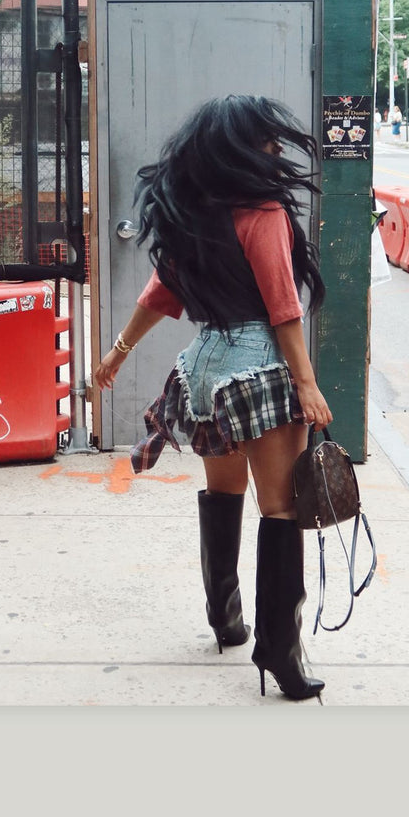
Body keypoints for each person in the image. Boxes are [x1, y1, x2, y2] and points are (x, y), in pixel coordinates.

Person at [93, 96, 332, 702]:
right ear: (242, 147)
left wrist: (118, 352)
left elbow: (160, 293)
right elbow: (283, 307)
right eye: (267, 141)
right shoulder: (263, 210)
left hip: (202, 366)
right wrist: (306, 383)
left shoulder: (189, 212)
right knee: (281, 508)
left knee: (224, 492)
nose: (276, 151)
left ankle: (225, 618)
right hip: (257, 367)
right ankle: (280, 650)